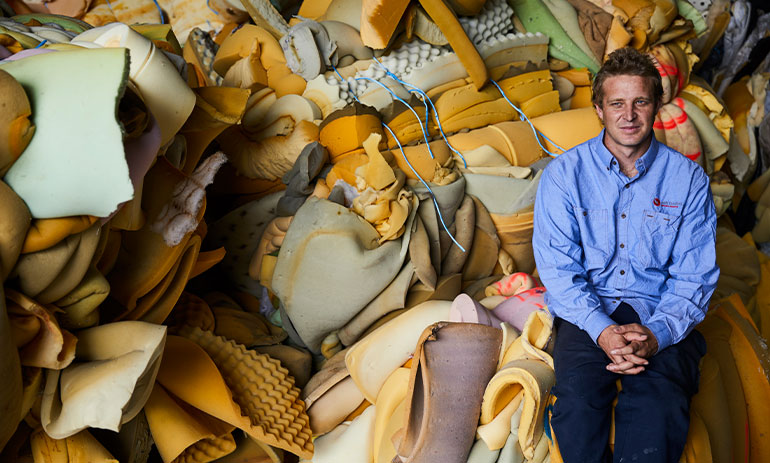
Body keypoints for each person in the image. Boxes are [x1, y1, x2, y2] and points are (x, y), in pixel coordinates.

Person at [532, 47, 719, 463]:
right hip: (587, 313)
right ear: (599, 109)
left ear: (655, 106)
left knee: (659, 412)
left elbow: (694, 277)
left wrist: (657, 335)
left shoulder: (687, 180)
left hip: (659, 312)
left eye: (640, 102)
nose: (628, 115)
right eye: (617, 103)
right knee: (577, 409)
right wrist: (601, 329)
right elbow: (559, 269)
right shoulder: (564, 176)